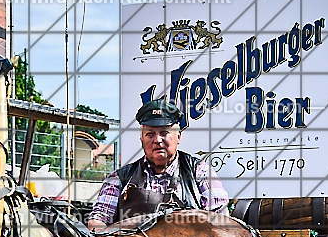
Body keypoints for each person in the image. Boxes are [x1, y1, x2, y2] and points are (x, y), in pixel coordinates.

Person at [87, 98, 229, 230]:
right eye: (150, 134)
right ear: (141, 139)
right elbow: (98, 220)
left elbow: (221, 223)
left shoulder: (200, 172)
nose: (157, 140)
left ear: (178, 137)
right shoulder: (120, 178)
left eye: (164, 132)